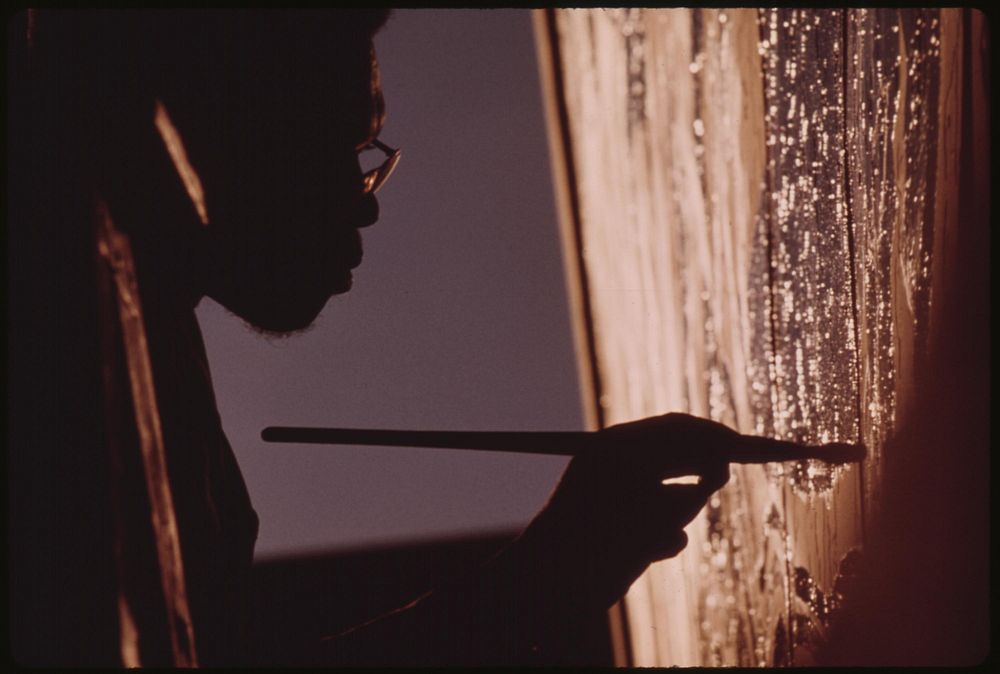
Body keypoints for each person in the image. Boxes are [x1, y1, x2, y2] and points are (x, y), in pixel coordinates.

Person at [8, 10, 861, 666]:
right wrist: (536, 587)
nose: (368, 197)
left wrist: (538, 583)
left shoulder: (134, 335)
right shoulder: (62, 298)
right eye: (343, 144)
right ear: (245, 123)